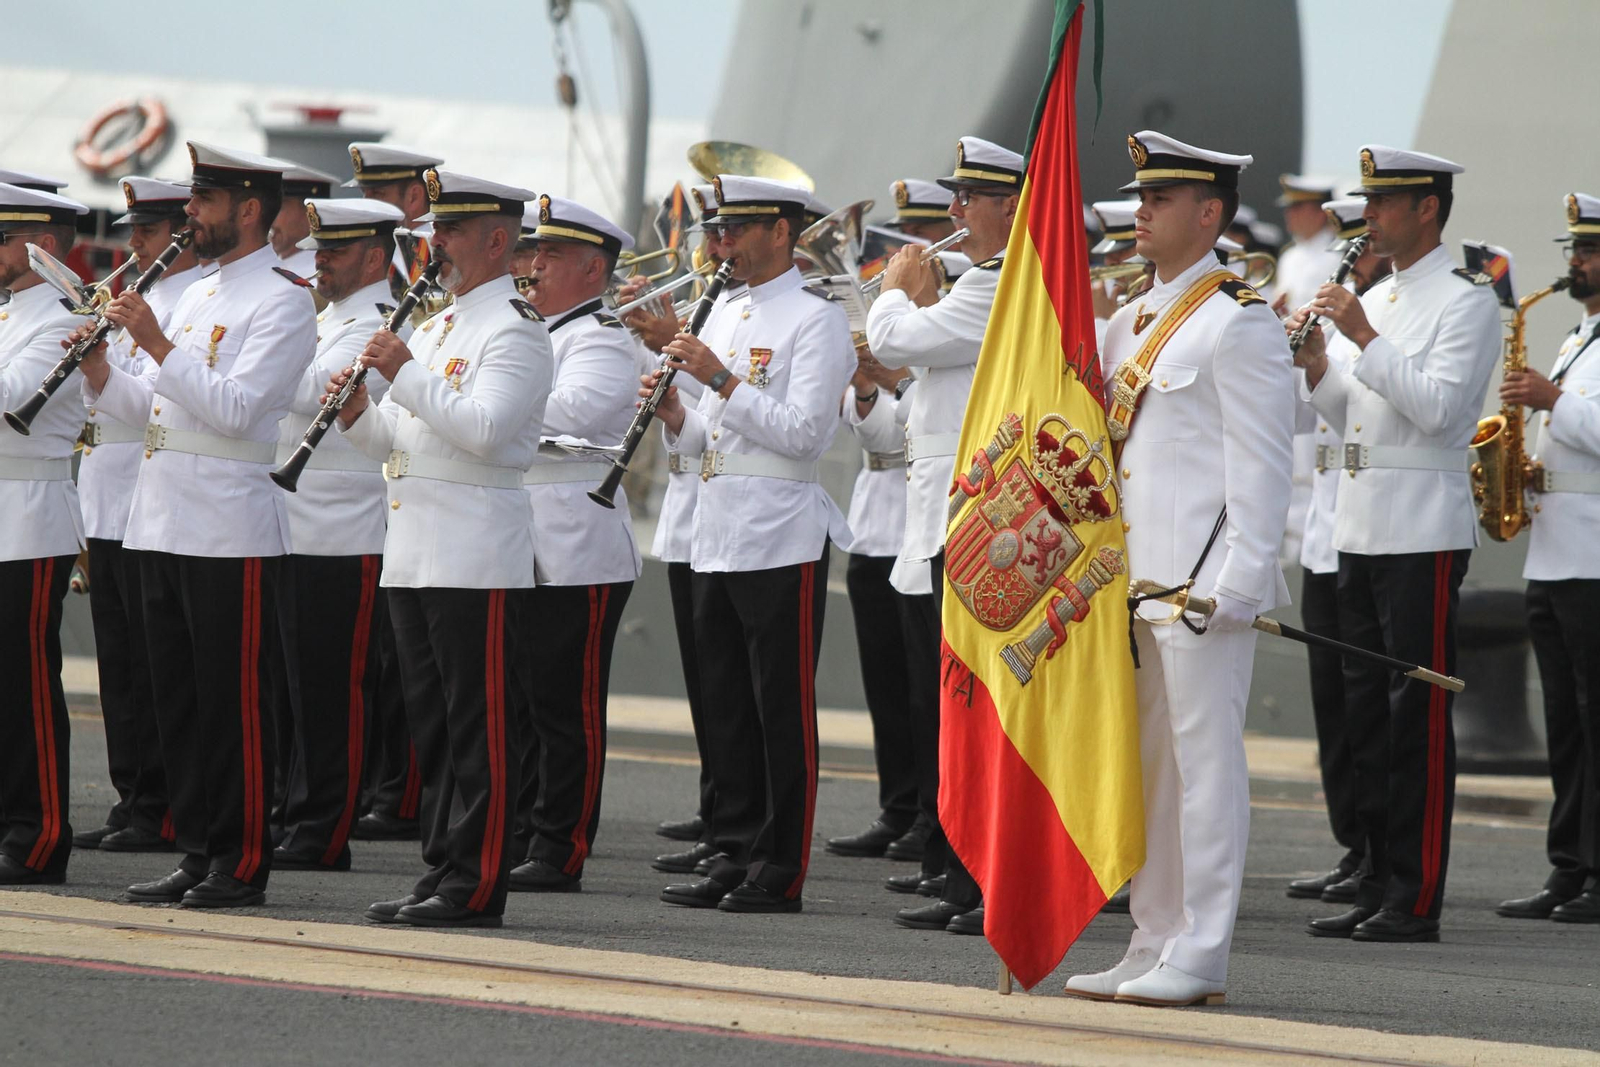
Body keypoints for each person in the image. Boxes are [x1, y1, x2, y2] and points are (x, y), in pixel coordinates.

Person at [1065, 131, 1293, 1006]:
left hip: (1201, 590)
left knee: (1207, 770)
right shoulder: (1130, 317)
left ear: (1208, 213)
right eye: (1139, 199)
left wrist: (1241, 579)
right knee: (1154, 775)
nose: (1140, 213)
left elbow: (1262, 464)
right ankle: (1153, 936)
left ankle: (1202, 949)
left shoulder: (1240, 321)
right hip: (1136, 584)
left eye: (1158, 200)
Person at [73, 141, 319, 908]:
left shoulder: (281, 299)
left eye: (204, 201)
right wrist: (99, 372)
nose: (191, 214)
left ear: (249, 210)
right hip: (162, 516)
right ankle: (197, 847)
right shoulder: (198, 293)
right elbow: (152, 403)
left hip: (226, 525)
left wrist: (151, 342)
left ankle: (241, 859)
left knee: (232, 701)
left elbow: (241, 410)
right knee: (177, 697)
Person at [1294, 145, 1500, 943]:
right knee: (1366, 716)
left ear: (1426, 209)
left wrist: (1361, 334)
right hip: (1361, 524)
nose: (1369, 216)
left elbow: (1443, 413)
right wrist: (1318, 365)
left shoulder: (1465, 300)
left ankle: (1414, 896)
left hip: (1421, 528)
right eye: (1369, 203)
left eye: (1384, 203)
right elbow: (1355, 409)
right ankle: (1376, 874)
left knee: (1413, 714)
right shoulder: (1378, 294)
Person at [336, 169, 552, 928]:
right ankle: (442, 868)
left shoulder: (517, 329)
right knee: (433, 723)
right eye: (435, 229)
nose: (436, 243)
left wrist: (405, 374)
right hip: (417, 549)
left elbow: (488, 433)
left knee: (478, 723)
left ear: (498, 240)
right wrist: (361, 414)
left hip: (475, 553)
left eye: (451, 230)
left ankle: (477, 879)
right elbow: (401, 440)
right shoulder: (434, 326)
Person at [652, 173, 854, 914]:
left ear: (781, 231)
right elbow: (714, 430)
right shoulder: (730, 311)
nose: (724, 243)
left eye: (739, 230)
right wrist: (678, 411)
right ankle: (732, 847)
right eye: (722, 230)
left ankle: (779, 865)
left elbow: (805, 435)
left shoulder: (815, 319)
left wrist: (721, 380)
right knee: (728, 701)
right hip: (717, 525)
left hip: (778, 530)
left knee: (778, 706)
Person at [867, 136, 1020, 937]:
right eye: (955, 197)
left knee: (968, 713)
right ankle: (954, 869)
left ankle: (978, 876)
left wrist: (896, 288)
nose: (954, 211)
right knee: (942, 712)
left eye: (970, 198)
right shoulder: (974, 285)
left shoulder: (1000, 287)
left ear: (1009, 207)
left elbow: (895, 341)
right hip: (933, 516)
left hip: (967, 523)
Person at [505, 195, 645, 893]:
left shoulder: (602, 338)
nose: (532, 264)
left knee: (567, 708)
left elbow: (578, 410)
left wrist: (497, 396)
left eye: (551, 255)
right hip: (521, 536)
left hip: (578, 543)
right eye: (533, 252)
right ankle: (524, 830)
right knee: (523, 701)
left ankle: (561, 846)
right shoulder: (533, 331)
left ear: (594, 268)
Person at [269, 197, 407, 872]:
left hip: (343, 529)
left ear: (375, 259)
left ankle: (324, 828)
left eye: (335, 251)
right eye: (319, 249)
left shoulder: (378, 324)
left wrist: (258, 346)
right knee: (296, 691)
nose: (318, 261)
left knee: (332, 689)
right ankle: (296, 811)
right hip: (296, 524)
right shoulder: (329, 318)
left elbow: (308, 392)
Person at [73, 177, 201, 855]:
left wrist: (99, 372)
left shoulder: (181, 304)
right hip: (107, 491)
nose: (134, 246)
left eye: (146, 234)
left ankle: (162, 804)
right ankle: (133, 799)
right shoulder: (135, 299)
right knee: (119, 664)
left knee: (153, 667)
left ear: (177, 236)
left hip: (147, 493)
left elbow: (158, 400)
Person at [1493, 192, 1600, 925]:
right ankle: (1569, 865)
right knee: (1565, 718)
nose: (1574, 264)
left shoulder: (1572, 358)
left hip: (1594, 552)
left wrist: (1552, 397)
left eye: (1588, 252)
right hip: (1554, 547)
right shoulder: (1574, 335)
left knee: (1597, 719)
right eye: (1573, 251)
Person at [1285, 199, 1390, 906]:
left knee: (1369, 705)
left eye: (1363, 246)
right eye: (1350, 247)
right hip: (1324, 529)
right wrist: (1292, 355)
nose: (1353, 258)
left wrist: (1341, 342)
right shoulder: (1344, 315)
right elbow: (1303, 415)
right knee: (1334, 703)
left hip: (1367, 525)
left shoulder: (1382, 317)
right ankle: (1353, 843)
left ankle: (1380, 850)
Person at [344, 140, 445, 840]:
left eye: (382, 193)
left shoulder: (433, 272)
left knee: (423, 676)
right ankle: (390, 786)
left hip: (434, 488)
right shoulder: (397, 272)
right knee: (388, 662)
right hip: (393, 474)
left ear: (414, 197)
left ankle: (403, 794)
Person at [0, 182, 91, 885]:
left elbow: (14, 404)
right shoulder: (10, 315)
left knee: (24, 683)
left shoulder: (58, 317)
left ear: (45, 248)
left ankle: (40, 835)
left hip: (29, 516)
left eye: (3, 239)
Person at [271, 164, 337, 279]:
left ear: (311, 215)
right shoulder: (271, 268)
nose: (269, 217)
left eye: (279, 208)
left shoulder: (322, 277)